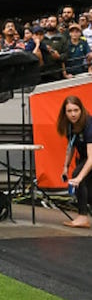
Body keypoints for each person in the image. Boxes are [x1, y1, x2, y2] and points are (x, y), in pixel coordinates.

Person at [57, 96, 92, 228]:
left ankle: (83, 217)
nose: (73, 114)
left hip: (90, 156)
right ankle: (83, 216)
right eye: (69, 111)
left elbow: (91, 157)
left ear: (81, 110)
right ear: (64, 113)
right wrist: (65, 167)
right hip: (85, 157)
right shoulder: (70, 126)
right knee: (87, 188)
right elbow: (71, 146)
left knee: (79, 176)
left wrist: (79, 177)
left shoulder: (89, 124)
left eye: (76, 110)